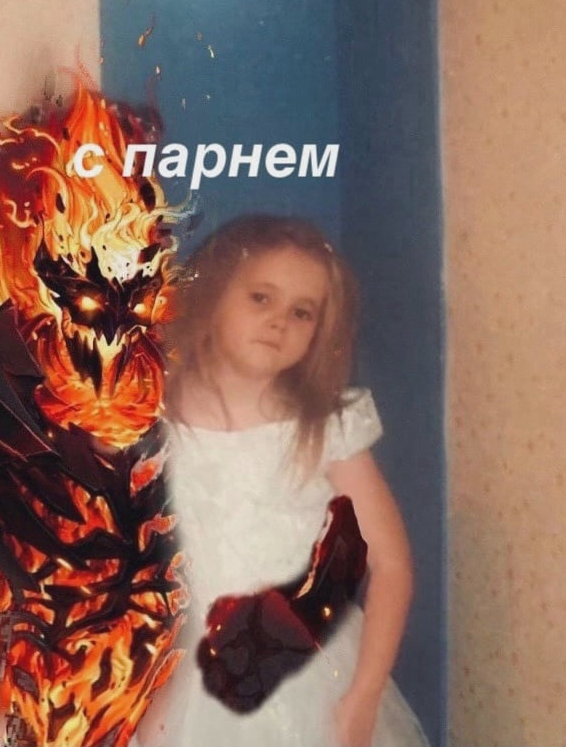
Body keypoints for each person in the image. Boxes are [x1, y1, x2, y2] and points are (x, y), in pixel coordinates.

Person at [143, 214, 429, 747]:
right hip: (185, 673)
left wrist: (364, 694)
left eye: (302, 312)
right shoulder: (148, 419)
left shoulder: (324, 429)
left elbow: (391, 564)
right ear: (212, 295)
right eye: (261, 298)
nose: (279, 322)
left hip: (310, 670)